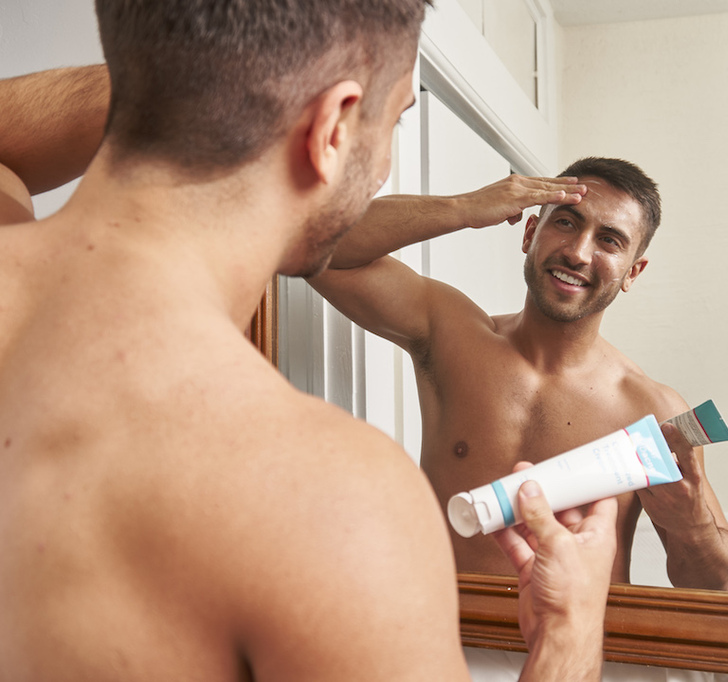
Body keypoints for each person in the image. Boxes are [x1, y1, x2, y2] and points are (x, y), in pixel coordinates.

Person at [0, 2, 620, 681]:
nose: (385, 154)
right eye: (396, 116)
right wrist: (570, 633)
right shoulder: (333, 501)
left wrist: (174, 76)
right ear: (331, 127)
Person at [309, 159, 728, 591]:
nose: (578, 252)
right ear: (531, 233)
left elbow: (709, 586)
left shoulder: (652, 409)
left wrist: (694, 525)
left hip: (580, 647)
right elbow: (314, 242)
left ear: (633, 271)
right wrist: (464, 207)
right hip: (445, 635)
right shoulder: (451, 336)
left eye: (609, 240)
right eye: (568, 223)